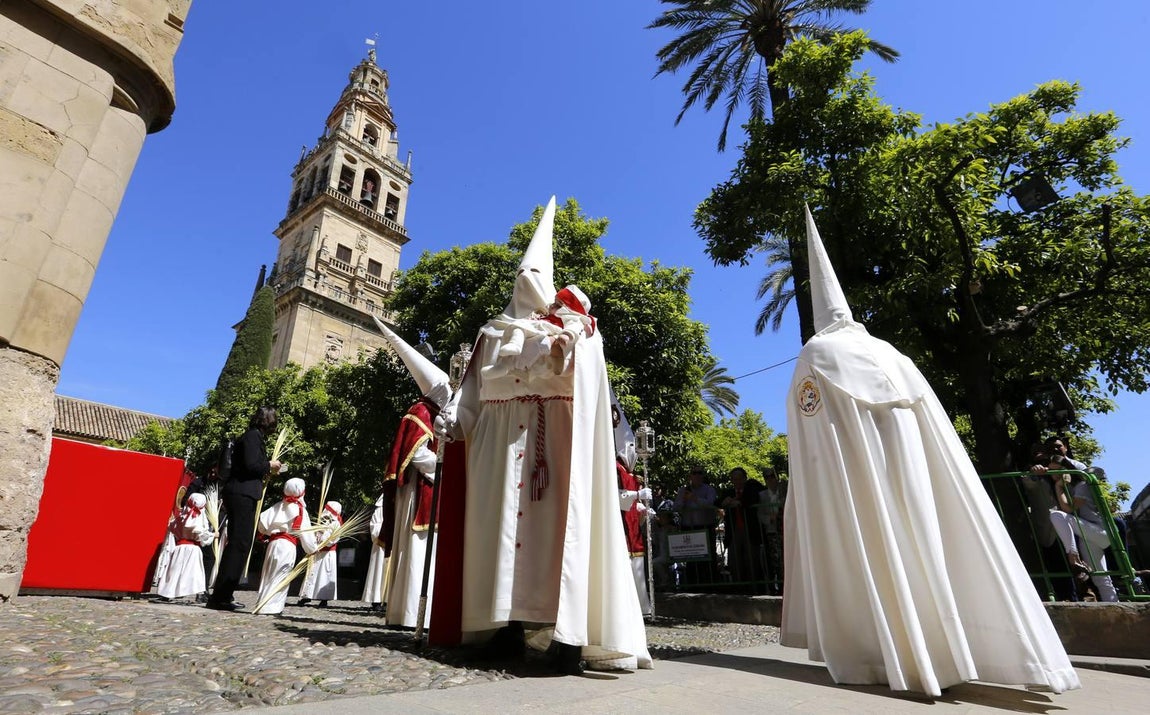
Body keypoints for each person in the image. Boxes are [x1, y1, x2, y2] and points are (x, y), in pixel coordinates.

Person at [782, 207, 1078, 697]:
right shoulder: (893, 353)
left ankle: (895, 649)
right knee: (933, 535)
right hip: (917, 466)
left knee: (882, 542)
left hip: (861, 472)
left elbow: (812, 436)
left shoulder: (816, 355)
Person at [430, 196, 652, 675]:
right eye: (521, 276)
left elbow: (591, 387)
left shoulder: (576, 329)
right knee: (498, 538)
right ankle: (504, 627)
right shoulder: (492, 333)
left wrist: (563, 344)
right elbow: (469, 393)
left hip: (555, 449)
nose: (526, 284)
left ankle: (567, 638)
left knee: (556, 542)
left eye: (535, 277)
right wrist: (453, 421)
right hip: (495, 451)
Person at [373, 317, 451, 629]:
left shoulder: (433, 413)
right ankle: (408, 615)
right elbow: (416, 454)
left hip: (428, 488)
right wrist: (442, 465)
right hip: (420, 489)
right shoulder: (420, 413)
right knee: (418, 548)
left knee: (425, 550)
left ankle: (420, 613)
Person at [207, 406, 282, 612]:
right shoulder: (252, 437)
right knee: (239, 544)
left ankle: (223, 594)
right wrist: (270, 465)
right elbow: (251, 465)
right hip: (242, 494)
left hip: (240, 493)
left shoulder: (252, 437)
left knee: (239, 544)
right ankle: (221, 595)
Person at [253, 478, 317, 615]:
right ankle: (272, 607)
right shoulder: (300, 511)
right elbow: (306, 535)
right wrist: (312, 549)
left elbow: (262, 527)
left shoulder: (277, 506)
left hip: (272, 544)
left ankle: (262, 604)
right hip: (287, 546)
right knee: (281, 575)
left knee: (268, 573)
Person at [156, 492, 216, 601]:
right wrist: (213, 535)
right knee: (196, 572)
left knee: (174, 571)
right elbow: (201, 534)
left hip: (179, 548)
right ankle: (200, 594)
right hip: (193, 548)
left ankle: (168, 592)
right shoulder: (197, 519)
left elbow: (172, 527)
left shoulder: (182, 517)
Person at [718, 467, 764, 591]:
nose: (737, 481)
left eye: (739, 478)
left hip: (749, 530)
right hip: (734, 532)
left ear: (744, 478)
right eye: (734, 479)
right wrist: (726, 502)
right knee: (736, 562)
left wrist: (737, 502)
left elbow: (752, 499)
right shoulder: (728, 492)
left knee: (752, 560)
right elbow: (718, 502)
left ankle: (755, 589)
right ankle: (739, 589)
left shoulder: (751, 489)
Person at [674, 466, 718, 585]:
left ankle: (710, 585)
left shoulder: (709, 489)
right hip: (689, 529)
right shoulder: (683, 490)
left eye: (700, 473)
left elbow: (710, 503)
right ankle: (693, 585)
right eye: (695, 473)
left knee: (708, 559)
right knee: (692, 559)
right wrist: (683, 500)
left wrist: (694, 498)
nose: (697, 475)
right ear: (690, 476)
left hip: (705, 527)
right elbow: (676, 507)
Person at [298, 501, 342, 607]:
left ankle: (324, 598)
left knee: (325, 575)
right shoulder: (321, 521)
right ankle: (307, 595)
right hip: (317, 552)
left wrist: (322, 540)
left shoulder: (336, 523)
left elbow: (333, 539)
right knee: (312, 574)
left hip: (327, 553)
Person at [758, 469, 786, 595]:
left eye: (772, 476)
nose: (770, 479)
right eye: (767, 477)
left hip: (785, 531)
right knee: (775, 560)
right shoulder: (762, 495)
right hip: (772, 531)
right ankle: (778, 587)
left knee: (785, 559)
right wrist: (770, 518)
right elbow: (760, 514)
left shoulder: (784, 491)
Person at [360, 491, 389, 612]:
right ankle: (376, 600)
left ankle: (387, 599)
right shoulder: (380, 510)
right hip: (381, 546)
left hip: (393, 547)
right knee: (379, 572)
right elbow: (374, 526)